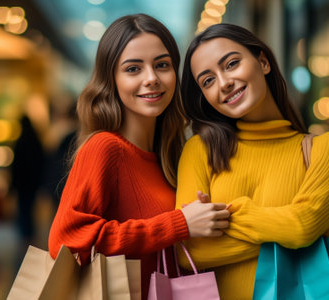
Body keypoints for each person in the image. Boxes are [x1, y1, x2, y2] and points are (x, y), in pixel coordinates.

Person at [48, 14, 230, 299]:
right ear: (112, 79)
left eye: (162, 65)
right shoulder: (104, 148)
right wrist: (179, 224)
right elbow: (66, 241)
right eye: (133, 69)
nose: (151, 79)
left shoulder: (171, 154)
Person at [175, 23, 329, 299]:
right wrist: (282, 227)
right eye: (208, 80)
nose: (224, 83)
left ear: (263, 61)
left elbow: (302, 227)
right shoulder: (199, 150)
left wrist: (232, 213)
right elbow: (190, 253)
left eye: (232, 64)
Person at [11, 115, 45, 245]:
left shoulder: (21, 141)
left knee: (23, 209)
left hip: (23, 183)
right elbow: (41, 162)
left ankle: (25, 234)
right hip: (32, 182)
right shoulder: (35, 140)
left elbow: (16, 166)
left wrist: (13, 183)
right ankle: (29, 234)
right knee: (29, 208)